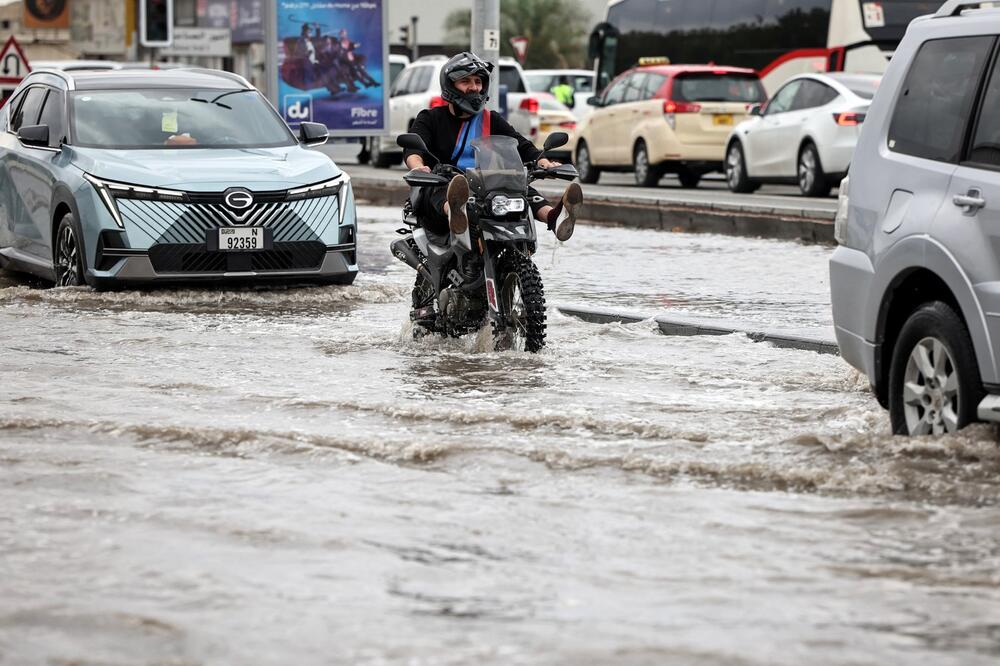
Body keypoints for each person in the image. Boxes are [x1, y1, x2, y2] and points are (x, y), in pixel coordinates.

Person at [403, 51, 582, 244]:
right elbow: (413, 150)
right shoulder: (430, 118)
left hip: (483, 188)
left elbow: (521, 145)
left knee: (517, 188)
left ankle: (555, 218)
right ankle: (456, 212)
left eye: (478, 82)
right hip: (439, 192)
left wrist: (544, 162)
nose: (474, 88)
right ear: (450, 85)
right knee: (443, 187)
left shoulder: (491, 119)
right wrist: (418, 167)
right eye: (466, 82)